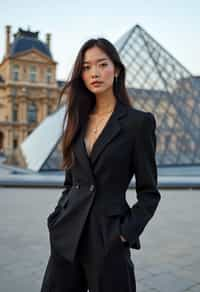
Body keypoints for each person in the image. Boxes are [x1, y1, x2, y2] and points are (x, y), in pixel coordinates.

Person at [40, 38, 161, 292]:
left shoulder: (138, 123)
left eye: (102, 64)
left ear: (116, 69)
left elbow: (149, 193)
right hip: (67, 233)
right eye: (86, 67)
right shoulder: (76, 120)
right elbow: (71, 182)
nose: (94, 72)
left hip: (108, 237)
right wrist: (56, 219)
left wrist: (125, 233)